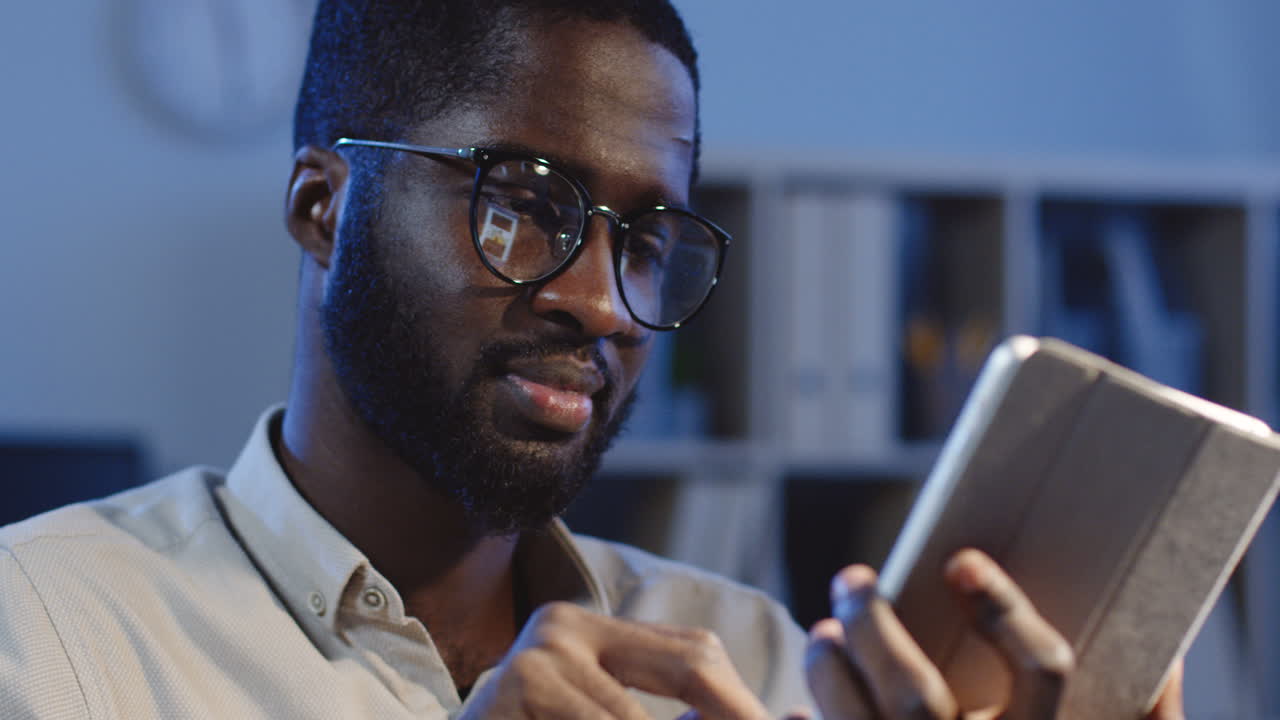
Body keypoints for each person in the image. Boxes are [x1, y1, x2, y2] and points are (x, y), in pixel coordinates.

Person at [0, 1, 1185, 718]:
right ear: (324, 208)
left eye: (647, 241)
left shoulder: (754, 663)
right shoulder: (45, 634)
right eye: (520, 206)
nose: (601, 305)